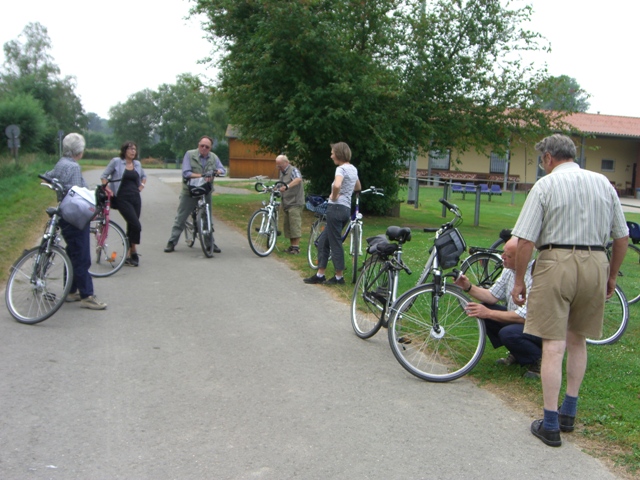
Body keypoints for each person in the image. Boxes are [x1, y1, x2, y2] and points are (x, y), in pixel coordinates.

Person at [510, 134, 628, 447]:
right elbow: (621, 237)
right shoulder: (603, 183)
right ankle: (569, 412)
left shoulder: (545, 185)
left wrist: (519, 280)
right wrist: (611, 276)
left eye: (542, 160)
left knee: (553, 344)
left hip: (556, 260)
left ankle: (550, 423)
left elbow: (525, 240)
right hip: (595, 261)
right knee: (578, 340)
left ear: (548, 158)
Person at [454, 237, 542, 378]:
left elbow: (525, 317)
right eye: (503, 252)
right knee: (483, 309)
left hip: (539, 328)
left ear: (522, 258)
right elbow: (492, 296)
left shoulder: (537, 276)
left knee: (507, 332)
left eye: (508, 256)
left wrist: (488, 313)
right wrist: (468, 287)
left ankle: (539, 359)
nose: (502, 257)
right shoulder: (509, 270)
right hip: (521, 319)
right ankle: (518, 352)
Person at [45, 133, 107, 310]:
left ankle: (71, 290)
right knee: (81, 256)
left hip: (64, 214)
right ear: (79, 151)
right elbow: (77, 194)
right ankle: (87, 295)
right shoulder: (73, 167)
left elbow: (49, 175)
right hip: (74, 216)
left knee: (72, 252)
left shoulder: (62, 163)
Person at [304, 142, 361, 285]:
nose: (331, 156)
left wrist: (334, 196)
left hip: (335, 208)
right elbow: (358, 187)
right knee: (324, 241)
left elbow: (337, 185)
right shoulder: (353, 169)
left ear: (339, 154)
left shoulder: (340, 169)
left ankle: (339, 277)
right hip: (345, 209)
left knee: (335, 243)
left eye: (332, 153)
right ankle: (320, 274)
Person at [164, 136, 226, 253]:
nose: (204, 148)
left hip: (206, 191)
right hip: (190, 191)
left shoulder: (213, 157)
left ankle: (209, 243)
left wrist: (216, 172)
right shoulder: (189, 154)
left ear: (210, 148)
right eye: (202, 146)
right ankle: (172, 242)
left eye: (207, 147)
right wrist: (202, 176)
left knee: (207, 218)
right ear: (198, 145)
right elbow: (186, 172)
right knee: (181, 217)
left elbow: (223, 170)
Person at [101, 141, 147, 266]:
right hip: (122, 198)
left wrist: (141, 186)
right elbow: (104, 176)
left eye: (134, 149)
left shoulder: (137, 164)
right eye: (130, 149)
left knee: (131, 225)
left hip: (135, 198)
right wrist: (108, 189)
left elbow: (144, 176)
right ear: (124, 150)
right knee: (136, 225)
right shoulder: (116, 162)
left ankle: (127, 254)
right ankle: (133, 251)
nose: (133, 151)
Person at [275, 155, 304, 254]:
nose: (278, 167)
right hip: (287, 203)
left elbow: (298, 179)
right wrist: (273, 188)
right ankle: (292, 246)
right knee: (288, 226)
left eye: (280, 165)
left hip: (295, 202)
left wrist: (287, 186)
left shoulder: (293, 170)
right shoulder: (282, 173)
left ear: (286, 163)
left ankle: (296, 248)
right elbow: (280, 185)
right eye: (277, 166)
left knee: (295, 224)